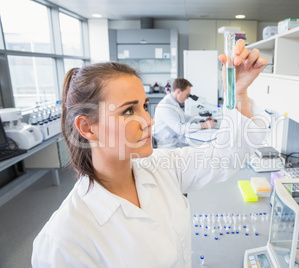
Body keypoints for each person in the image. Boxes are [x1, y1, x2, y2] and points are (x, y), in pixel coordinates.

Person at [31, 39, 269, 267]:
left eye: (144, 106)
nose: (148, 121)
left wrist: (238, 93)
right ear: (86, 128)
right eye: (128, 111)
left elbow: (226, 156)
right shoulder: (63, 241)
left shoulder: (162, 166)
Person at [153, 78, 217, 148]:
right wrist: (202, 125)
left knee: (201, 148)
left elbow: (186, 117)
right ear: (178, 91)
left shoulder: (173, 102)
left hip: (175, 141)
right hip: (167, 146)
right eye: (187, 94)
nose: (188, 98)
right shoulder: (166, 106)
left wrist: (204, 119)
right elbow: (180, 129)